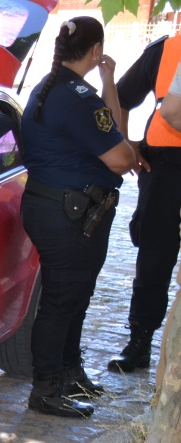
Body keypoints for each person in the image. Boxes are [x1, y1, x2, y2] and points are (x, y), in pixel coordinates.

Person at [20, 17, 136, 418]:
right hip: (68, 211)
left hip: (58, 206)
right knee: (61, 300)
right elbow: (122, 157)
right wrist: (109, 82)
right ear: (95, 51)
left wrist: (107, 83)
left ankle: (69, 373)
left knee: (74, 295)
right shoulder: (78, 97)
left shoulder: (51, 87)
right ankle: (47, 388)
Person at [108, 36, 181, 373]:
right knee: (153, 258)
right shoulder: (166, 49)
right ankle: (139, 342)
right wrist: (126, 143)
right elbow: (122, 96)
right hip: (164, 168)